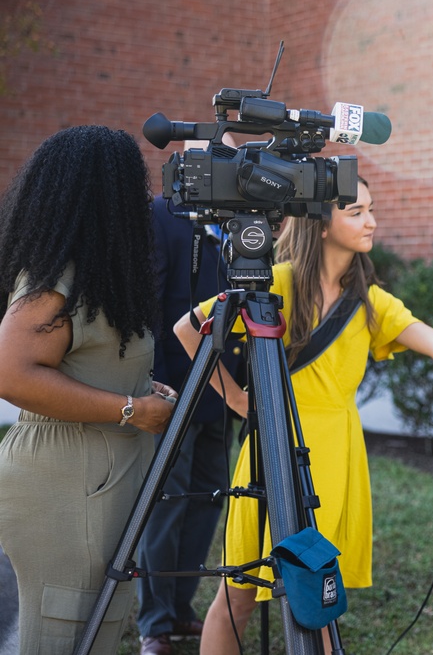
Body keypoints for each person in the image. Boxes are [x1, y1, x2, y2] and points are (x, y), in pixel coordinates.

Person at [173, 177, 433, 654]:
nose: (371, 221)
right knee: (238, 597)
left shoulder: (371, 301)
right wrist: (235, 399)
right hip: (270, 451)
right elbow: (189, 330)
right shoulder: (274, 283)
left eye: (371, 209)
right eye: (356, 211)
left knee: (315, 598)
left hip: (333, 457)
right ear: (319, 222)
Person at [0, 125, 177, 655]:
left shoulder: (102, 277)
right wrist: (129, 408)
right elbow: (11, 374)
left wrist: (142, 391)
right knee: (60, 632)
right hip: (63, 481)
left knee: (95, 626)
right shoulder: (57, 280)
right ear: (108, 194)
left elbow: (92, 363)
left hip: (100, 476)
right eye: (131, 185)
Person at [135, 194, 244, 655]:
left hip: (228, 390)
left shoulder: (250, 218)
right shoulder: (165, 214)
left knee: (208, 499)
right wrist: (154, 381)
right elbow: (150, 300)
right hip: (178, 386)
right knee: (168, 503)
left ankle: (181, 610)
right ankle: (155, 624)